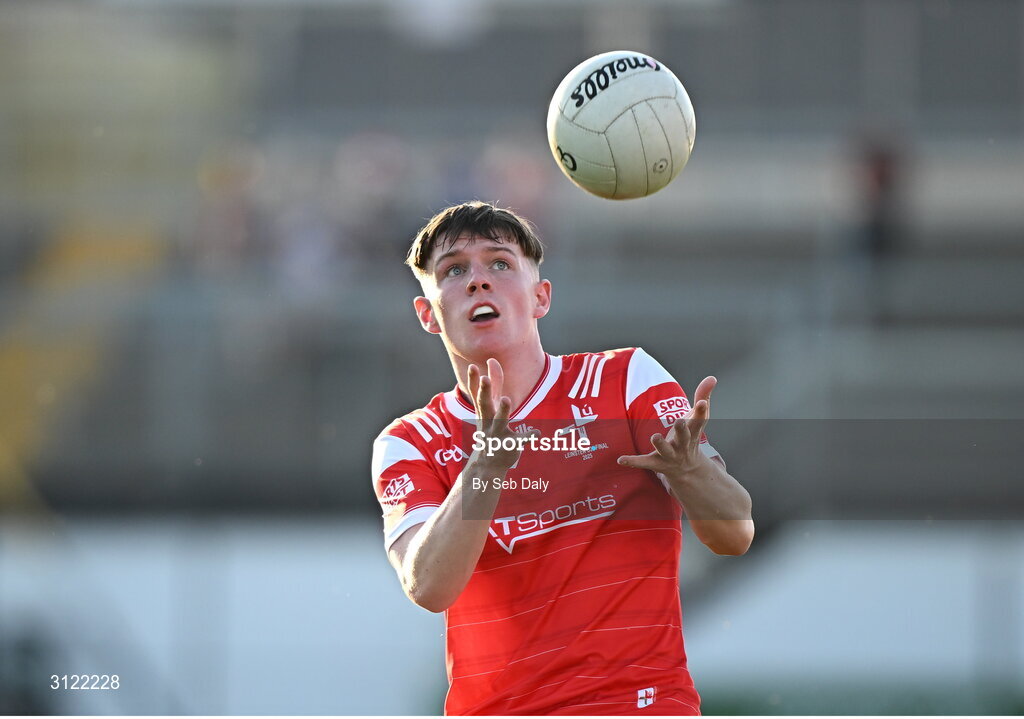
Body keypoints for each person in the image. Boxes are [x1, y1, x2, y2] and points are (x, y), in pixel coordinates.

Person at [371, 201, 753, 715]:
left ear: (540, 296)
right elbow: (429, 586)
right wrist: (485, 467)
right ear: (427, 315)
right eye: (454, 270)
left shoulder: (626, 381)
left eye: (500, 263)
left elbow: (735, 534)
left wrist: (690, 470)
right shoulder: (411, 440)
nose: (478, 281)